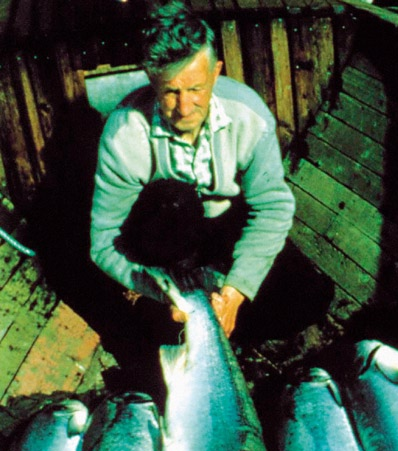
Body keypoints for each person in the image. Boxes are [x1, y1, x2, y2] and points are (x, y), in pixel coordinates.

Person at [90, 0, 296, 338]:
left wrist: (236, 290)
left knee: (309, 296)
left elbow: (272, 207)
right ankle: (154, 311)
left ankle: (227, 316)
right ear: (151, 79)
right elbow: (103, 242)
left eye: (196, 89)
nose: (184, 107)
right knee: (174, 199)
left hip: (223, 233)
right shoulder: (123, 133)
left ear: (216, 72)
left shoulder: (249, 115)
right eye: (170, 92)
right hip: (163, 245)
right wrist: (163, 291)